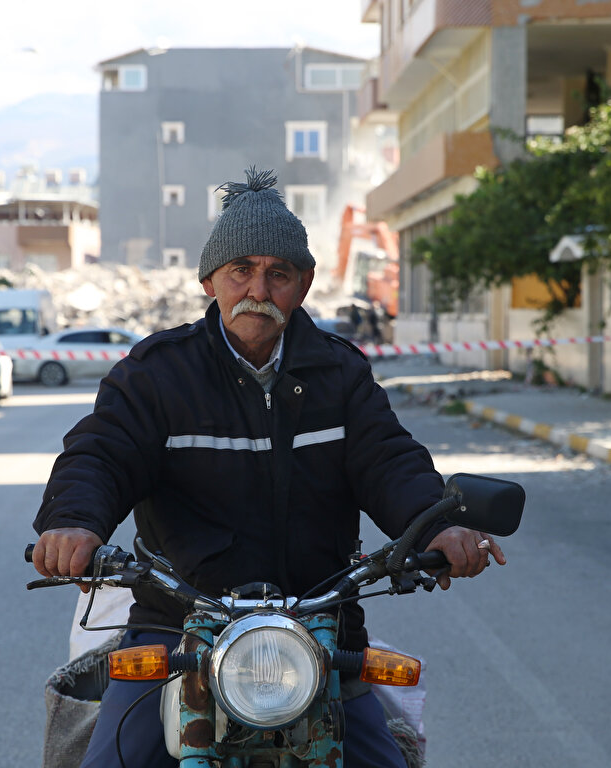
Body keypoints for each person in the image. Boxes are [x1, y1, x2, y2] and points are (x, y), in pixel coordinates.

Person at [32, 167, 505, 767]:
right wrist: (73, 522)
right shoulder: (157, 374)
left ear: (303, 285)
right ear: (210, 280)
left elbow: (390, 460)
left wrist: (439, 525)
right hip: (178, 627)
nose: (258, 289)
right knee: (111, 762)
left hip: (317, 629)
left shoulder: (340, 374)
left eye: (278, 273)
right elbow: (101, 452)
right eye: (241, 270)